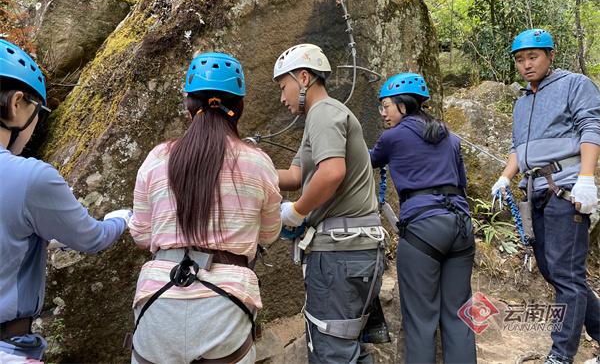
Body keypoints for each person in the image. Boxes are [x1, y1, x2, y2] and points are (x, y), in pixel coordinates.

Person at [128, 52, 281, 364]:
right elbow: (268, 234)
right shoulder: (258, 163)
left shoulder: (157, 159)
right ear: (238, 107)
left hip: (158, 305)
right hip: (226, 308)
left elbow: (141, 234)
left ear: (189, 105)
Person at [0, 39, 130, 363]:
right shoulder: (31, 178)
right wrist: (121, 219)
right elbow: (91, 238)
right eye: (38, 114)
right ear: (17, 103)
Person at [491, 29, 600, 364]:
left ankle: (560, 356)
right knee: (556, 272)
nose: (526, 64)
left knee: (566, 275)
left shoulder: (574, 84)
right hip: (534, 191)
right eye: (520, 59)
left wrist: (587, 179)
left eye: (533, 56)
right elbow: (518, 149)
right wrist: (504, 177)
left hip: (566, 188)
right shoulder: (523, 102)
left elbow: (592, 127)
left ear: (550, 55)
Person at [273, 43, 385, 364]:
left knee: (332, 352)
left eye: (285, 87)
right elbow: (295, 176)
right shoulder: (319, 119)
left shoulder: (324, 113)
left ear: (304, 77)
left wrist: (296, 211)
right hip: (354, 253)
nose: (282, 98)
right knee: (351, 347)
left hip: (340, 256)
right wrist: (248, 169)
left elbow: (332, 172)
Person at [370, 72, 477, 363]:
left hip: (423, 229)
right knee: (459, 317)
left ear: (403, 105)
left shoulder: (393, 137)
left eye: (386, 106)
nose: (383, 113)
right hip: (461, 228)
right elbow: (461, 183)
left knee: (421, 321)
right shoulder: (449, 136)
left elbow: (367, 161)